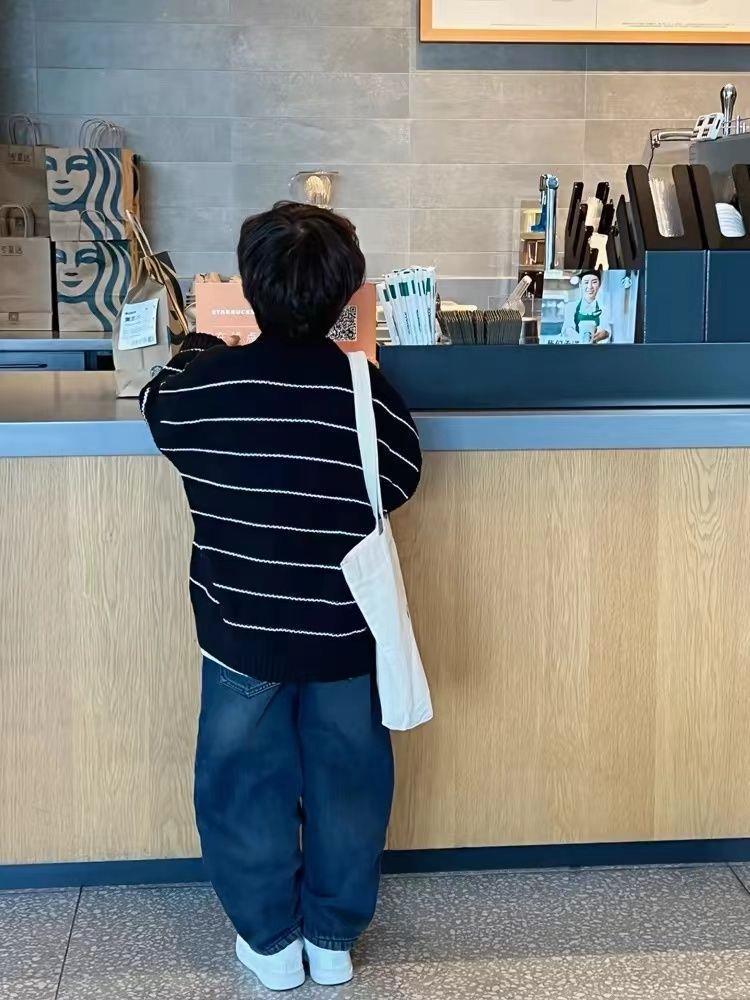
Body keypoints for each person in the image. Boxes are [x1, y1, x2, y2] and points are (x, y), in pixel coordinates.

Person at [140, 202, 422, 992]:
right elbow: (400, 479)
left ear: (248, 286)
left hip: (241, 631)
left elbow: (157, 408)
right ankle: (332, 940)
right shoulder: (364, 390)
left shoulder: (203, 388)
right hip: (342, 635)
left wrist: (201, 344)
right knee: (349, 783)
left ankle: (269, 943)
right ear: (346, 297)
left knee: (242, 786)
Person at [561, 270, 611, 343]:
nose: (590, 287)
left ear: (599, 285)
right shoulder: (570, 307)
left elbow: (607, 331)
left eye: (594, 282)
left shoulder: (604, 309)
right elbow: (565, 330)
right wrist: (580, 339)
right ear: (580, 284)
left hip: (596, 348)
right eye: (586, 282)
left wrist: (605, 334)